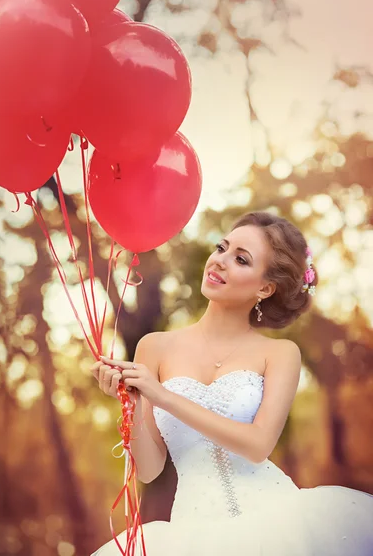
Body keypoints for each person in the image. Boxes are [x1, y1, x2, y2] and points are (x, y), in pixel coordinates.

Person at [90, 211, 373, 555]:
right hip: (192, 531)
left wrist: (162, 396)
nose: (220, 261)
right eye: (221, 248)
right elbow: (149, 470)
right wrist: (131, 403)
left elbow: (257, 445)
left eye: (240, 259)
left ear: (265, 287)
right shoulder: (154, 346)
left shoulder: (280, 353)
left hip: (277, 520)